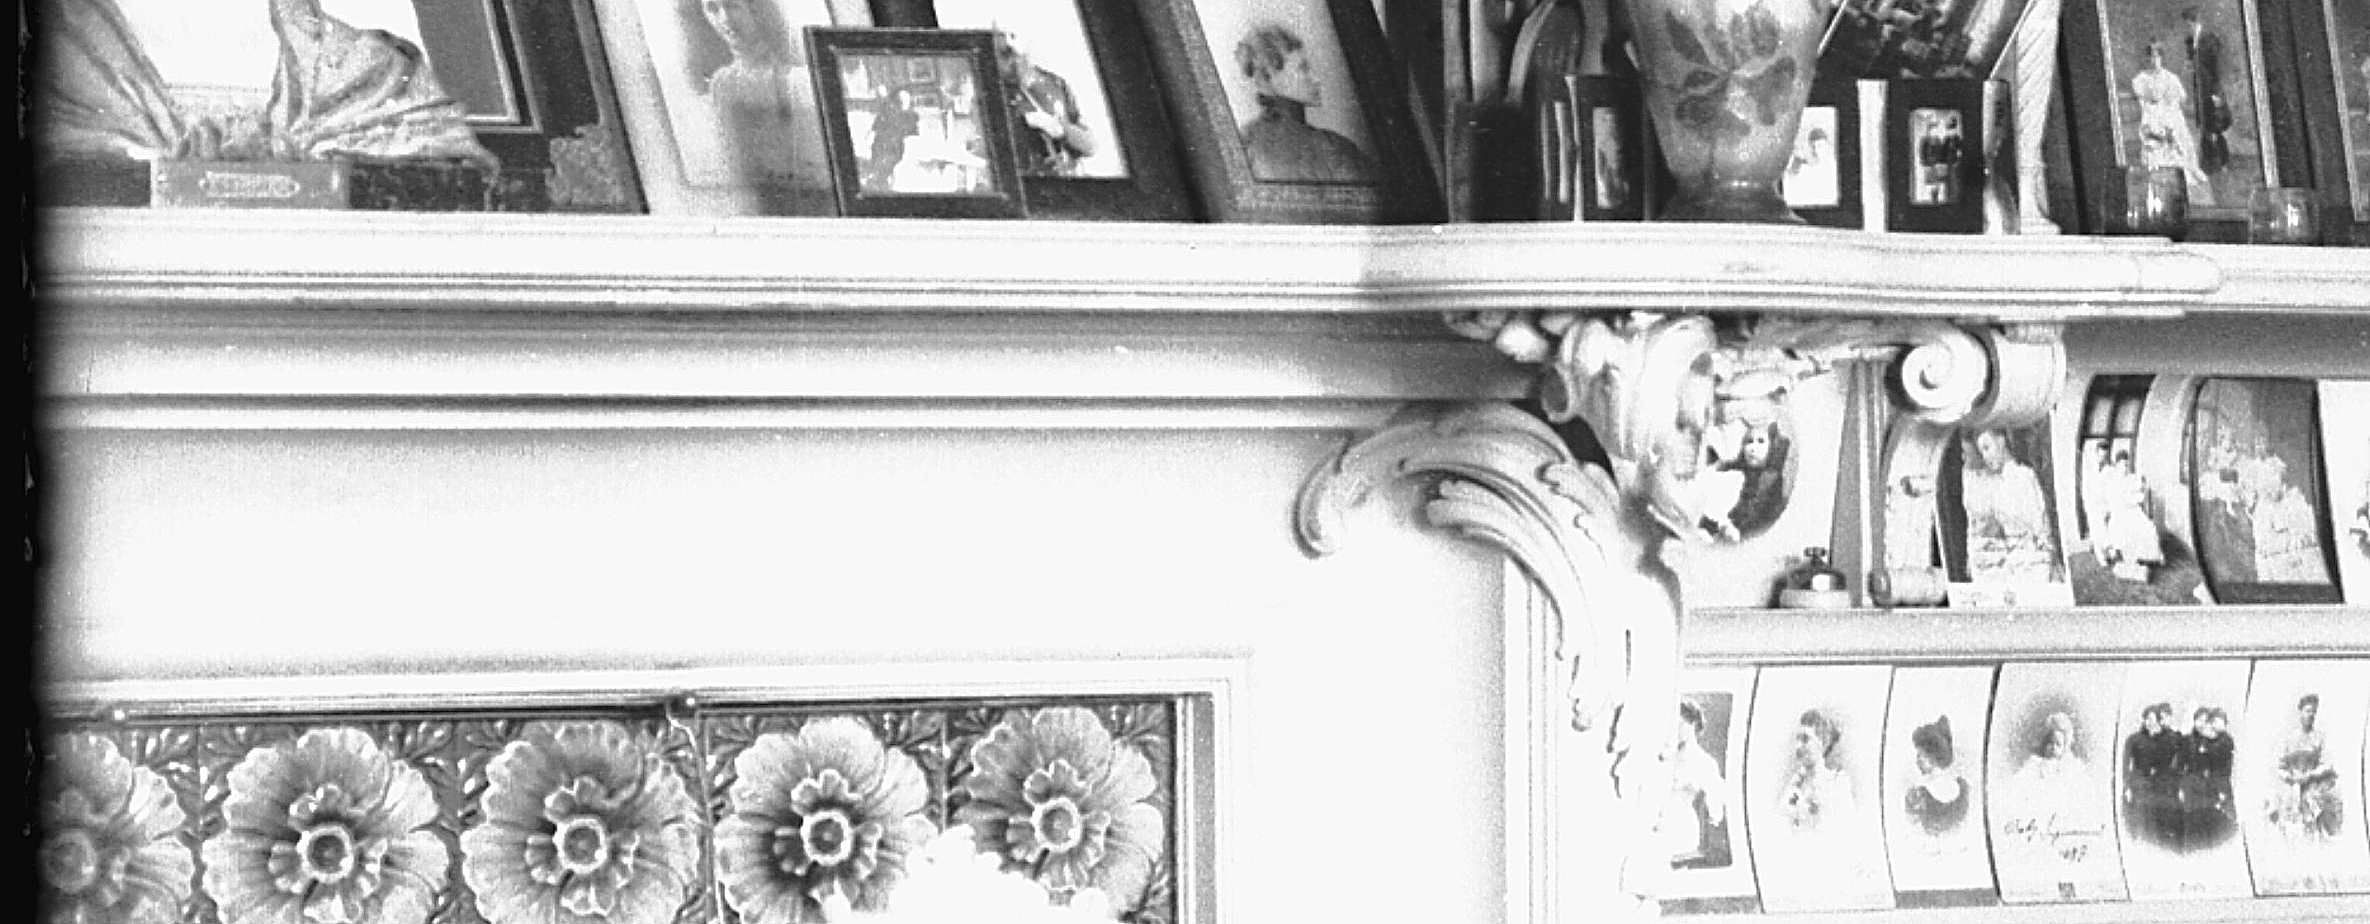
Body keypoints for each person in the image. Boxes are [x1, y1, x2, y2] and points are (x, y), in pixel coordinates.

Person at [693, 0, 817, 192]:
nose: (725, 19)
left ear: (757, 8)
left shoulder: (799, 76)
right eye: (713, 8)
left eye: (732, 6)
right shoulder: (723, 82)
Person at [1233, 23, 1377, 183]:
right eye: (1303, 69)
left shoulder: (1243, 142)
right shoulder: (1331, 147)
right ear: (1268, 77)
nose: (1316, 79)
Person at [994, 25, 1097, 176]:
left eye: (1013, 36)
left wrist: (1060, 129)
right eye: (1001, 36)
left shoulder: (1056, 83)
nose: (1010, 44)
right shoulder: (991, 92)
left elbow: (1090, 145)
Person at [1959, 429, 2059, 582]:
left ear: (2001, 441)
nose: (1985, 457)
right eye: (1982, 452)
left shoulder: (2024, 476)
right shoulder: (1996, 485)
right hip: (2013, 565)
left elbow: (2040, 523)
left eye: (1987, 448)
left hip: (2035, 563)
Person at [2132, 41, 2212, 204]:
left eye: (2157, 57)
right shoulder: (2142, 78)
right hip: (2152, 115)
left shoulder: (2170, 77)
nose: (2154, 61)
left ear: (2161, 58)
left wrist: (2170, 102)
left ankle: (2183, 174)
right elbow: (2147, 98)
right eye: (2151, 57)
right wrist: (2155, 102)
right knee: (2155, 138)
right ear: (2147, 59)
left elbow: (2181, 97)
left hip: (2169, 113)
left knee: (2177, 137)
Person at [1657, 701, 1731, 868]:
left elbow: (1716, 807)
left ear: (1692, 724)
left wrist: (1713, 806)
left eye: (1680, 724)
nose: (1675, 729)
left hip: (1681, 829)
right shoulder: (1666, 756)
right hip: (1657, 825)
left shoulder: (1704, 763)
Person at [2274, 693, 2345, 839]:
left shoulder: (2319, 737)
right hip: (2292, 786)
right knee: (2286, 818)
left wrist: (2311, 775)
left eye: (2314, 712)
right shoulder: (2289, 738)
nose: (2311, 715)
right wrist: (2291, 778)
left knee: (2320, 817)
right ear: (2300, 712)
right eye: (2307, 711)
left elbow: (2327, 763)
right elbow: (2279, 766)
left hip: (2314, 786)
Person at [1779, 709, 1855, 832]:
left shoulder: (1838, 783)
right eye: (1797, 739)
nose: (1798, 746)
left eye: (1805, 740)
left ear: (1822, 742)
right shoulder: (1793, 785)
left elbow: (1845, 829)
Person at [2122, 702, 2184, 846]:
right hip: (2139, 784)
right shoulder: (2133, 739)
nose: (2148, 722)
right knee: (2139, 820)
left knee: (2158, 820)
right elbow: (2126, 765)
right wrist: (2127, 786)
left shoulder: (2166, 739)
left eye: (2151, 719)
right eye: (2146, 718)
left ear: (2158, 721)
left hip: (2159, 786)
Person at [2177, 705, 2238, 851]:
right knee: (2193, 821)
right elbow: (2180, 765)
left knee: (2217, 821)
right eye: (2199, 720)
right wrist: (2182, 786)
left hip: (2214, 786)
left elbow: (2219, 767)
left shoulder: (2221, 740)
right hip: (2193, 787)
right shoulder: (2189, 740)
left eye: (2206, 721)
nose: (2202, 724)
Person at [1903, 716, 1970, 836]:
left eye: (1921, 755)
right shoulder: (1922, 789)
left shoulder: (1934, 790)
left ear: (1932, 757)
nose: (1917, 760)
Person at [2183, 8, 2230, 173]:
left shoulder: (2210, 39)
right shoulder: (2190, 41)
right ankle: (2207, 162)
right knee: (2203, 126)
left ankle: (2224, 162)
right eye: (2186, 25)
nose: (2188, 28)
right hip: (2199, 90)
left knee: (2216, 125)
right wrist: (2190, 67)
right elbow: (2192, 62)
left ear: (2196, 22)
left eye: (2189, 25)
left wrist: (2216, 93)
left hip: (2211, 89)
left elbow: (2216, 68)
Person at [863, 87, 922, 191]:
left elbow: (914, 137)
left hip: (898, 150)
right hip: (883, 148)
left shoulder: (911, 116)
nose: (903, 103)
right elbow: (876, 128)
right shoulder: (887, 112)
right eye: (900, 101)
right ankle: (880, 180)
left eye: (905, 101)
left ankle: (883, 179)